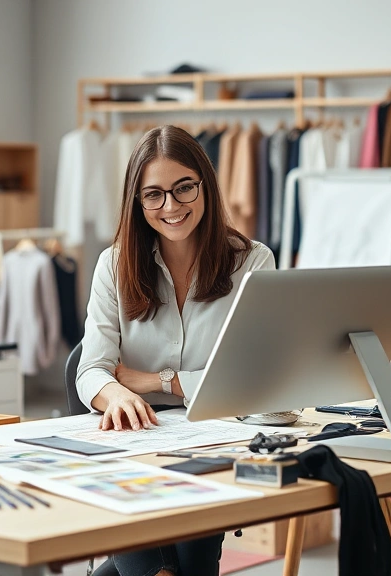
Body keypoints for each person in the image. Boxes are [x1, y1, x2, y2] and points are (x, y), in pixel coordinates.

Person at [76, 125, 275, 576]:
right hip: (132, 443)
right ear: (137, 202)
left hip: (210, 440)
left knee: (178, 562)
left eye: (184, 187)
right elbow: (91, 369)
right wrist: (117, 394)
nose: (171, 206)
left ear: (205, 183)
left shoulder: (253, 262)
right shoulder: (114, 264)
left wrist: (153, 381)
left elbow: (248, 377)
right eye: (153, 195)